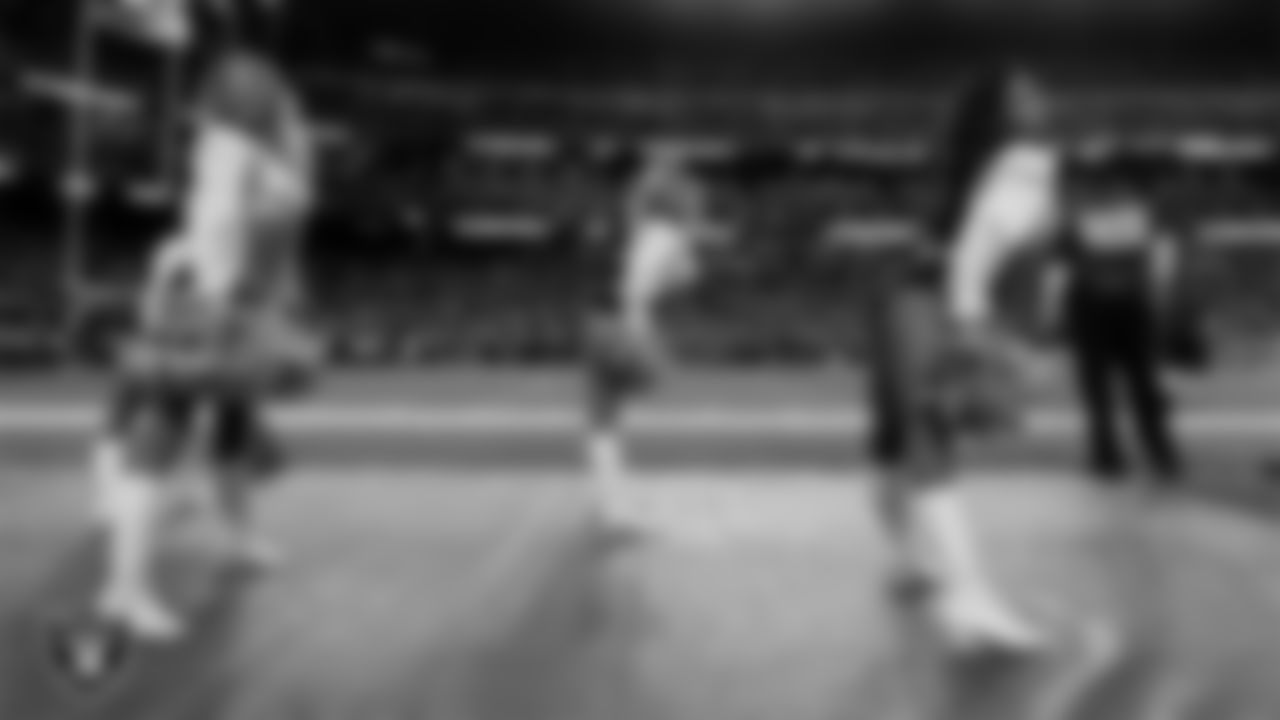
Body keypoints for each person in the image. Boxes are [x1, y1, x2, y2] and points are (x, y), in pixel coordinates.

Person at [88, 47, 318, 642]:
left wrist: (203, 269)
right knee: (161, 439)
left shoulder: (255, 150)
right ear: (258, 100)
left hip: (235, 307)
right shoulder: (233, 148)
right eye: (276, 95)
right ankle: (123, 590)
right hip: (217, 311)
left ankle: (237, 538)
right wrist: (215, 289)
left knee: (235, 429)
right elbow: (216, 223)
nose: (289, 106)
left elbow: (209, 231)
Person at [864, 65, 1062, 654]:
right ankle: (967, 595)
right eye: (1025, 94)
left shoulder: (972, 165)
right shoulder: (1027, 161)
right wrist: (981, 334)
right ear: (1000, 111)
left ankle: (914, 563)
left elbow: (955, 246)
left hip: (900, 294)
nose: (1041, 99)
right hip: (928, 299)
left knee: (900, 442)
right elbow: (973, 259)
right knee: (927, 443)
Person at [584, 142, 723, 528]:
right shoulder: (666, 235)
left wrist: (660, 183)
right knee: (614, 408)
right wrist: (639, 333)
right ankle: (612, 500)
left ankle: (608, 498)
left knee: (603, 418)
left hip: (602, 320)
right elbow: (654, 281)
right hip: (620, 323)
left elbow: (676, 270)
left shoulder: (651, 230)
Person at [1043, 190, 1184, 488]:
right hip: (1134, 304)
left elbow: (1058, 273)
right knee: (1144, 380)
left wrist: (1051, 312)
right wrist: (1160, 296)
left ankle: (1106, 455)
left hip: (1089, 305)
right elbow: (1164, 259)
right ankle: (1162, 453)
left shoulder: (1076, 221)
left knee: (1096, 383)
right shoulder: (1142, 218)